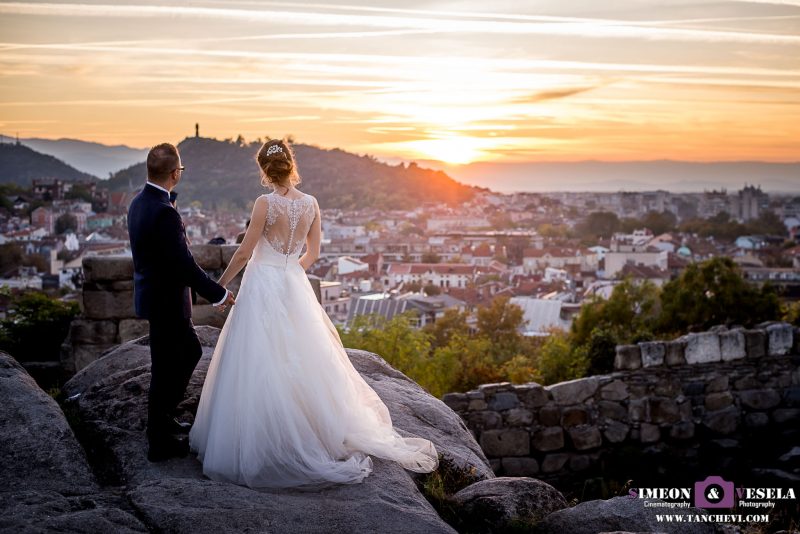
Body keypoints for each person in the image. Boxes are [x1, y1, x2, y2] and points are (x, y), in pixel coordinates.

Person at [189, 139, 438, 488]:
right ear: (291, 165)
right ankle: (316, 429)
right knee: (303, 356)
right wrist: (291, 271)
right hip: (293, 282)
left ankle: (265, 437)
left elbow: (245, 251)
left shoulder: (264, 203)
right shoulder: (311, 204)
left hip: (262, 283)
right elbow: (314, 252)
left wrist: (221, 283)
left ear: (263, 169)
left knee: (258, 357)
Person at [127, 143, 235, 462]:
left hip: (153, 297)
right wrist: (218, 293)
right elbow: (183, 264)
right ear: (175, 173)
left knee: (174, 360)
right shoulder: (164, 212)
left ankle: (163, 422)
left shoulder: (139, 202)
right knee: (179, 360)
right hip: (167, 301)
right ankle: (159, 439)